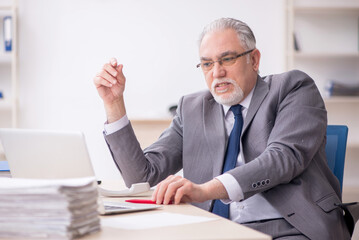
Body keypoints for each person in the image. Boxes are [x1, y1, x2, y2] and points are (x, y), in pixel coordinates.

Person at [94, 18, 358, 239]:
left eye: (227, 59)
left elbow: (283, 158)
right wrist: (114, 104)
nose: (216, 72)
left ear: (254, 60)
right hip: (214, 229)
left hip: (291, 228)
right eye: (207, 63)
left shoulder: (293, 88)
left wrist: (205, 190)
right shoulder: (192, 107)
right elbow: (142, 176)